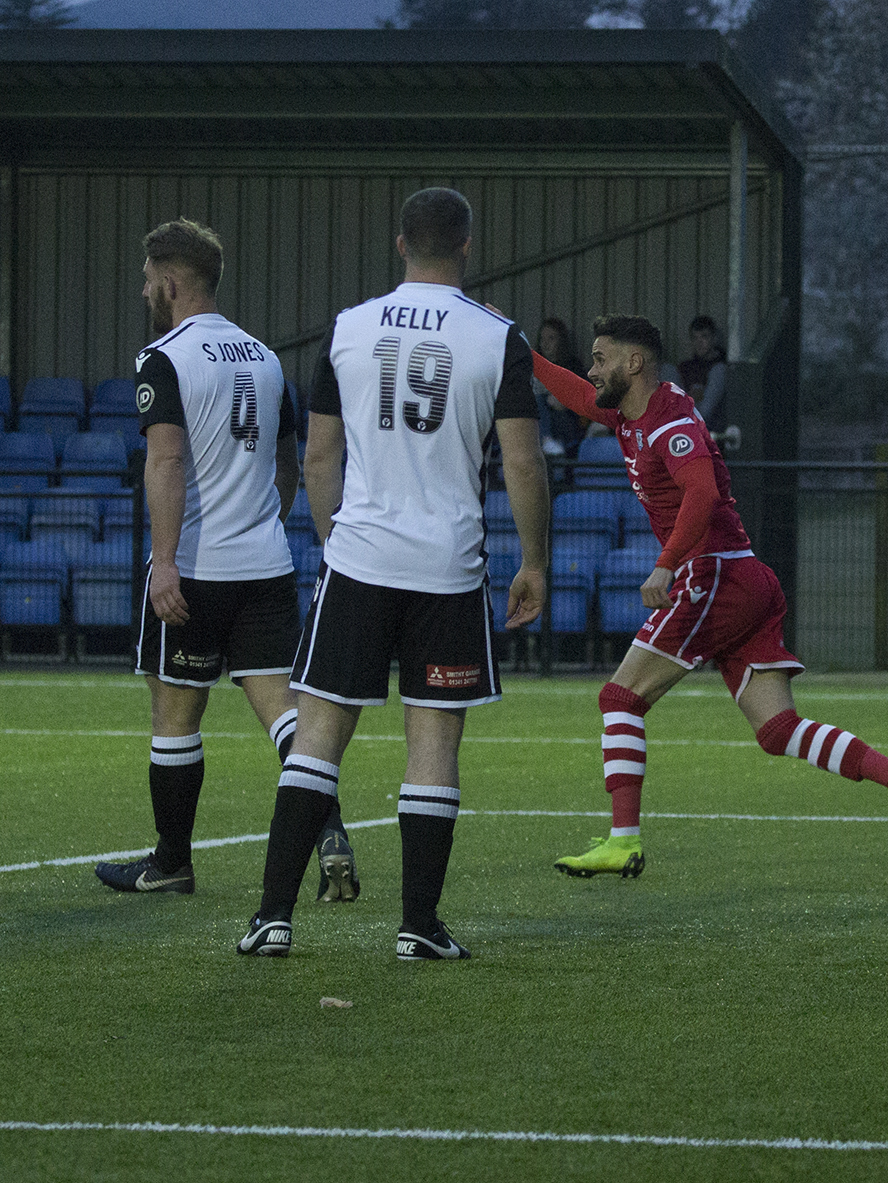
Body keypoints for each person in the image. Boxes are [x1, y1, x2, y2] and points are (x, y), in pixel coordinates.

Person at [236, 188, 549, 960]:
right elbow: (521, 459)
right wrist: (535, 561)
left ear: (399, 243)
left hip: (361, 560)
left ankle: (272, 918)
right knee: (433, 744)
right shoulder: (498, 337)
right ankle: (418, 927)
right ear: (467, 246)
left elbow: (317, 457)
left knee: (317, 738)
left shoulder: (349, 328)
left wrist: (335, 540)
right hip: (447, 566)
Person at [521, 313, 888, 876]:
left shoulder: (669, 418)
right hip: (745, 579)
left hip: (712, 576)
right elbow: (575, 394)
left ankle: (624, 839)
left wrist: (666, 565)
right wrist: (521, 357)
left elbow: (701, 492)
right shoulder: (628, 412)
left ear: (634, 362)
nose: (592, 369)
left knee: (620, 699)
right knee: (777, 731)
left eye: (600, 358)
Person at [94, 218, 358, 901]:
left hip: (198, 569)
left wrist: (165, 561)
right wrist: (259, 517)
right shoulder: (265, 358)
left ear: (172, 283)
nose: (146, 290)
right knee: (285, 711)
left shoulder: (165, 357)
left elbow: (168, 458)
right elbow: (287, 464)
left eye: (150, 280)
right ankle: (328, 826)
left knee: (175, 715)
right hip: (266, 565)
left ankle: (172, 862)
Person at [533, 317, 588, 455]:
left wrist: (563, 400)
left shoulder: (573, 366)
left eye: (551, 338)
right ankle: (546, 441)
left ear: (561, 341)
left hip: (568, 421)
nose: (545, 344)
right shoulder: (534, 365)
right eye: (542, 339)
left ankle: (547, 441)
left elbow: (585, 399)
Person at [677, 313, 727, 431]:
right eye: (695, 338)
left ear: (713, 338)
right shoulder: (686, 367)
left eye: (704, 337)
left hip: (711, 424)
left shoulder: (723, 366)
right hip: (685, 419)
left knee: (720, 370)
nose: (699, 343)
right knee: (667, 369)